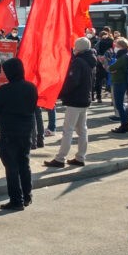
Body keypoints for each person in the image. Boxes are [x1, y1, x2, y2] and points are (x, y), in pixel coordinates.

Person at [0, 57, 38, 210]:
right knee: (24, 163)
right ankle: (27, 195)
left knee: (11, 167)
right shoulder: (31, 87)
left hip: (9, 131)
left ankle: (16, 200)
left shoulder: (5, 89)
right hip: (26, 130)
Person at [44, 37, 97, 167]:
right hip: (84, 98)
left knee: (68, 130)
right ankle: (80, 157)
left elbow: (73, 81)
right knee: (82, 129)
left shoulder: (78, 61)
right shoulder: (90, 60)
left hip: (76, 99)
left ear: (78, 48)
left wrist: (59, 94)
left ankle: (60, 158)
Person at [108, 38, 128, 134]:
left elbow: (112, 67)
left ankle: (124, 125)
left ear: (122, 46)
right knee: (121, 104)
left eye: (117, 46)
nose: (115, 48)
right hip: (122, 81)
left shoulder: (123, 57)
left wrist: (112, 69)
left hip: (120, 82)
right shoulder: (126, 55)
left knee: (119, 104)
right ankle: (125, 123)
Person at [93, 30, 114, 103]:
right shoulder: (112, 41)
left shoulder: (98, 42)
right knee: (110, 80)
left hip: (100, 63)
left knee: (99, 81)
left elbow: (95, 51)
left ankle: (99, 97)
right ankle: (112, 98)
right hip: (109, 62)